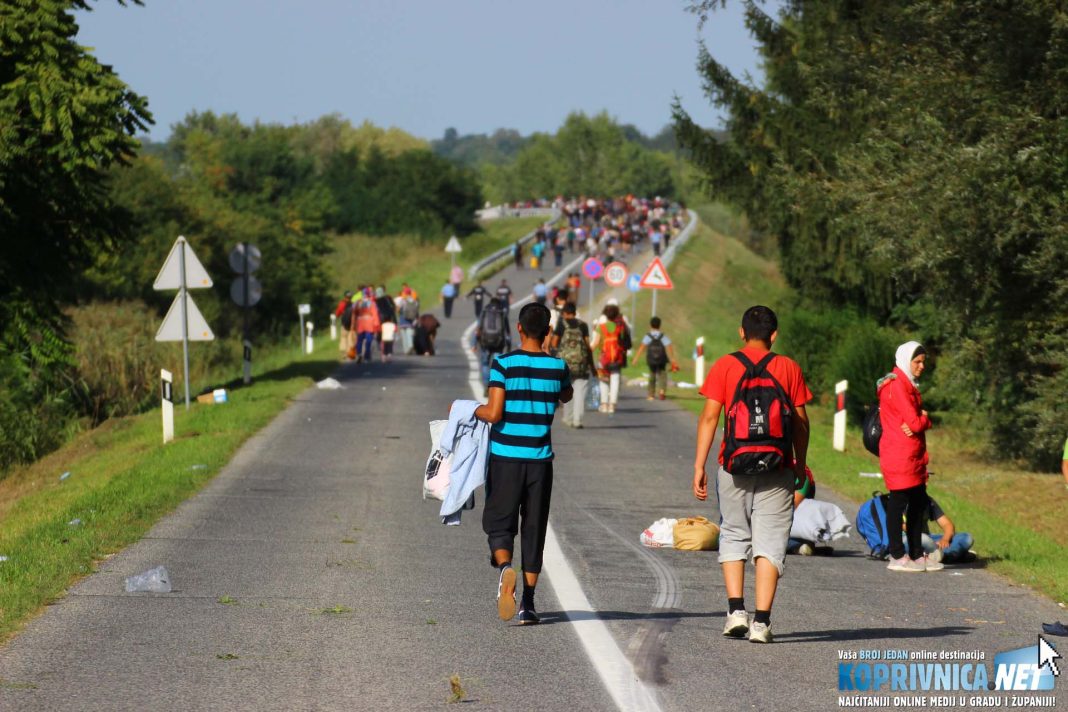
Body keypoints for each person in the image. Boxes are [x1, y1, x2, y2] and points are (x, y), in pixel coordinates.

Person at [693, 305, 812, 643]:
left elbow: (708, 418)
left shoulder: (726, 365)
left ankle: (735, 612)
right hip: (778, 467)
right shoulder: (788, 367)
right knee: (771, 539)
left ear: (741, 332)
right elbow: (801, 423)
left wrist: (700, 464)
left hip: (733, 466)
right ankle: (761, 622)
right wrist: (799, 463)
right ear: (774, 335)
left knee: (733, 532)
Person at [474, 303, 573, 624]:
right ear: (547, 332)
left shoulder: (503, 363)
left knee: (500, 525)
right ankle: (528, 604)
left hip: (505, 458)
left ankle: (505, 569)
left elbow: (493, 413)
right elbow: (567, 395)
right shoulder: (558, 368)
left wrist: (465, 409)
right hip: (540, 462)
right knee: (534, 529)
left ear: (518, 328)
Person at [878, 341, 941, 573]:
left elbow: (913, 424)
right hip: (899, 455)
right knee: (898, 503)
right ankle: (897, 555)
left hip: (911, 455)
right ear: (906, 361)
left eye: (923, 361)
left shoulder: (908, 384)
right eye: (917, 361)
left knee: (917, 503)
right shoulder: (897, 386)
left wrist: (919, 419)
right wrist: (925, 418)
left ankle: (915, 554)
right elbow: (915, 423)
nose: (922, 366)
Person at [551, 302, 597, 429]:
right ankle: (578, 420)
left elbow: (554, 343)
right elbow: (588, 347)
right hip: (581, 365)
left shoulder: (561, 324)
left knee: (567, 390)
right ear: (575, 313)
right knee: (580, 393)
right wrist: (592, 366)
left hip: (565, 365)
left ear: (565, 313)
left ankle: (568, 417)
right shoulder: (583, 325)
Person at [589, 302, 630, 414]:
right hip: (617, 358)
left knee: (603, 381)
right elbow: (624, 342)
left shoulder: (601, 327)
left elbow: (595, 342)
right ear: (617, 314)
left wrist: (587, 352)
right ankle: (612, 405)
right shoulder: (620, 327)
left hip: (603, 358)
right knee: (615, 380)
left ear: (605, 315)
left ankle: (604, 404)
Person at [630, 316, 679, 401]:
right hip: (662, 359)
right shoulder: (663, 336)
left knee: (652, 375)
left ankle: (651, 394)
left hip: (651, 359)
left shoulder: (648, 336)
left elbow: (642, 347)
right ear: (660, 325)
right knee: (663, 375)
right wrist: (672, 359)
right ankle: (662, 392)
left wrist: (635, 359)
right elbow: (669, 346)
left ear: (651, 325)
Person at [918, 496, 975, 564]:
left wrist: (945, 539)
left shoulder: (927, 501)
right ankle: (956, 555)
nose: (926, 485)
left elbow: (947, 524)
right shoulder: (902, 500)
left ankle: (943, 555)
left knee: (966, 537)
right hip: (910, 539)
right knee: (921, 540)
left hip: (929, 539)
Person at [474, 297, 511, 391]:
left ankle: (487, 384)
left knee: (485, 364)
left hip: (485, 342)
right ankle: (495, 387)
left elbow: (478, 329)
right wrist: (509, 347)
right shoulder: (502, 312)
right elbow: (507, 332)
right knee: (497, 364)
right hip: (498, 343)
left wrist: (474, 344)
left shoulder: (485, 311)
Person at [354, 289, 381, 363]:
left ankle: (358, 353)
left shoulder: (358, 302)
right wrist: (376, 325)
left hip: (360, 323)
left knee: (359, 340)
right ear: (369, 294)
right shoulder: (372, 303)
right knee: (368, 340)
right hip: (369, 323)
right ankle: (367, 355)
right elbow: (375, 314)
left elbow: (354, 312)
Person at [396, 287, 420, 355]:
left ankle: (406, 350)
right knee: (410, 334)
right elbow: (417, 310)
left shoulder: (403, 300)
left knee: (404, 335)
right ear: (410, 293)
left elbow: (398, 309)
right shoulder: (415, 301)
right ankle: (410, 345)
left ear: (405, 293)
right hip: (411, 320)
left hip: (403, 319)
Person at [335, 290, 354, 358]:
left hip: (344, 323)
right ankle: (350, 352)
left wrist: (337, 315)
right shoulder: (353, 304)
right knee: (350, 338)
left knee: (343, 337)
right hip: (352, 324)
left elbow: (337, 313)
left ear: (345, 296)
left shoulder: (342, 303)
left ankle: (344, 353)